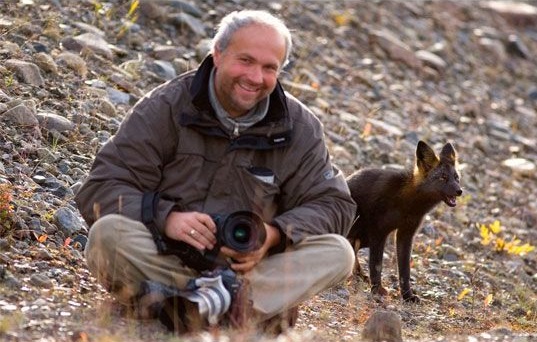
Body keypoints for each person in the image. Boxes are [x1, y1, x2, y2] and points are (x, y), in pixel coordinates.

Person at [75, 9, 356, 335]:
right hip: (168, 256)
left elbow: (336, 205)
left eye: (269, 68)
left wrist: (272, 234)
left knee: (338, 253)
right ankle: (231, 308)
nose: (255, 77)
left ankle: (188, 303)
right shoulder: (167, 106)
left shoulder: (299, 126)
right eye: (246, 60)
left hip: (249, 272)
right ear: (217, 54)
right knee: (106, 235)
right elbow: (101, 185)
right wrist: (167, 218)